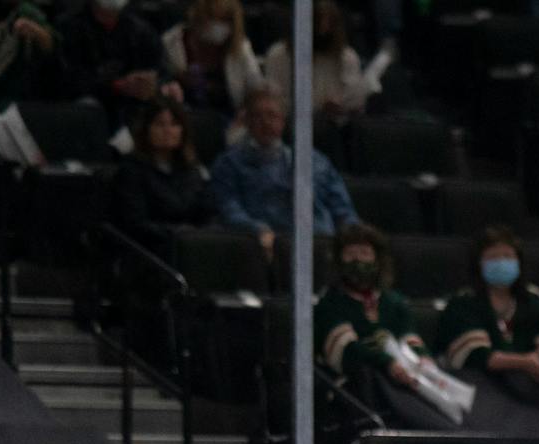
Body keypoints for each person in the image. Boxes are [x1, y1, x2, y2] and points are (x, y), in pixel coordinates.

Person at [209, 85, 359, 256]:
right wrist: (257, 229)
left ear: (283, 120)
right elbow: (229, 208)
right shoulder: (229, 163)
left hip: (321, 242)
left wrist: (353, 236)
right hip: (263, 246)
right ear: (247, 121)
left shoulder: (314, 160)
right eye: (258, 116)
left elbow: (342, 208)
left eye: (272, 115)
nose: (266, 122)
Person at [437, 227, 539, 383]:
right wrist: (524, 362)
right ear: (478, 264)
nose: (501, 263)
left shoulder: (534, 300)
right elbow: (475, 355)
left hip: (530, 388)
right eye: (493, 257)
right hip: (477, 387)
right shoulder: (463, 303)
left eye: (507, 256)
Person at [316, 223, 429, 392]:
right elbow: (347, 351)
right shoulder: (329, 303)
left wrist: (421, 358)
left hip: (403, 381)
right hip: (354, 386)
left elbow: (409, 336)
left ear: (378, 260)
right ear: (339, 260)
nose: (358, 260)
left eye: (364, 253)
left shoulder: (394, 301)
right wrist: (387, 363)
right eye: (350, 254)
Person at [111, 99, 216, 253]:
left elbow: (209, 211)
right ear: (147, 130)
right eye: (160, 124)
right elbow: (135, 224)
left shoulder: (192, 170)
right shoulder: (131, 170)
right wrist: (179, 233)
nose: (168, 130)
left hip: (195, 244)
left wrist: (206, 232)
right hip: (154, 250)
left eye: (174, 124)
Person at [263, 0, 374, 133]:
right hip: (290, 129)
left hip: (335, 129)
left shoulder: (346, 57)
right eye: (314, 25)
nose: (320, 32)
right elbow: (274, 100)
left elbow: (355, 100)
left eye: (326, 26)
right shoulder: (278, 55)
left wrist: (341, 106)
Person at [59, 0, 174, 128]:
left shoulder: (141, 30)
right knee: (87, 107)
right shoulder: (69, 27)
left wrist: (153, 83)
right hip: (92, 104)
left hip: (135, 105)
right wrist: (116, 86)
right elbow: (67, 79)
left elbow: (162, 71)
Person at [162, 0, 265, 116]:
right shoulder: (172, 42)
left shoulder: (241, 48)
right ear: (199, 17)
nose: (218, 25)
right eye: (213, 19)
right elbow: (163, 82)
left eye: (225, 20)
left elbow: (256, 89)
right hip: (182, 117)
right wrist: (179, 77)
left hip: (228, 118)